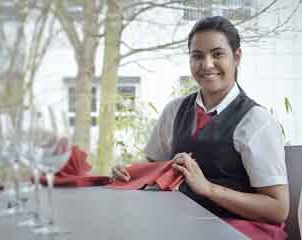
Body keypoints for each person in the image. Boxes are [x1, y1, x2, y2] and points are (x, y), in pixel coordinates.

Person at [112, 16, 289, 238]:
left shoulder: (257, 121)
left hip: (241, 230)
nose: (206, 65)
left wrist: (208, 188)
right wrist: (131, 173)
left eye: (217, 54)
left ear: (237, 57)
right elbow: (155, 169)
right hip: (186, 224)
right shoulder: (174, 110)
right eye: (197, 56)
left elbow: (278, 209)